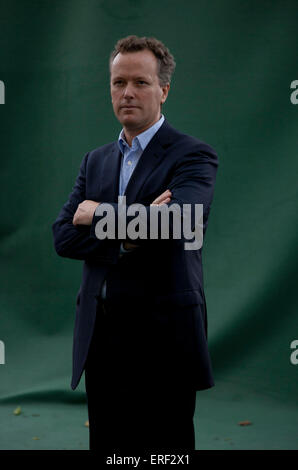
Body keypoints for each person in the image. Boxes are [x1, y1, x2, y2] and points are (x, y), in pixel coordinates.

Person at [52, 35, 218, 452]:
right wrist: (129, 238)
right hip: (102, 335)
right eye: (118, 82)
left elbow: (180, 221)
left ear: (163, 90)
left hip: (165, 336)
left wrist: (95, 214)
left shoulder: (193, 155)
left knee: (166, 450)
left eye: (141, 83)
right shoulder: (95, 160)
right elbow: (63, 236)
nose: (127, 92)